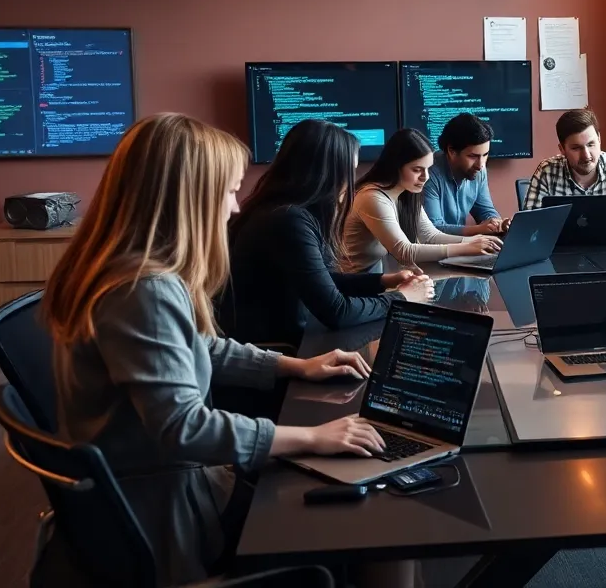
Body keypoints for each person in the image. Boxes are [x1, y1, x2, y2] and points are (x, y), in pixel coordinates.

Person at [44, 114, 396, 586]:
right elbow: (181, 427)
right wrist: (311, 438)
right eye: (229, 191)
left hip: (156, 483)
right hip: (169, 503)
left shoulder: (129, 271)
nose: (234, 208)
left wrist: (296, 365)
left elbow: (200, 346)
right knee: (377, 512)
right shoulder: (142, 289)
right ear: (188, 198)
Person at [220, 120, 431, 350]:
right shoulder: (288, 220)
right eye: (349, 171)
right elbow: (337, 312)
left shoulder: (284, 211)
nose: (351, 182)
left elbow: (322, 281)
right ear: (326, 173)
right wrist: (402, 297)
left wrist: (383, 281)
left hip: (285, 342)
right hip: (277, 352)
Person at [343, 127, 502, 272]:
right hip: (353, 285)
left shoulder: (407, 190)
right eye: (417, 170)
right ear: (395, 166)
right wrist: (467, 247)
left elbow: (430, 236)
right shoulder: (372, 197)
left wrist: (476, 241)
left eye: (427, 169)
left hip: (375, 276)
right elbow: (404, 252)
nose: (425, 177)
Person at [523, 107, 606, 235]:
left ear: (599, 139)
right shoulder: (547, 171)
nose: (586, 155)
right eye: (576, 148)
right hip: (562, 251)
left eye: (591, 144)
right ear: (562, 149)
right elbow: (528, 219)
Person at [424, 113, 508, 236]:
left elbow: (485, 211)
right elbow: (433, 230)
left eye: (485, 155)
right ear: (451, 151)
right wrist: (479, 229)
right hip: (433, 250)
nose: (480, 165)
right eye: (473, 156)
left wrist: (498, 224)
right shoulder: (427, 174)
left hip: (461, 246)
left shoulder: (479, 170)